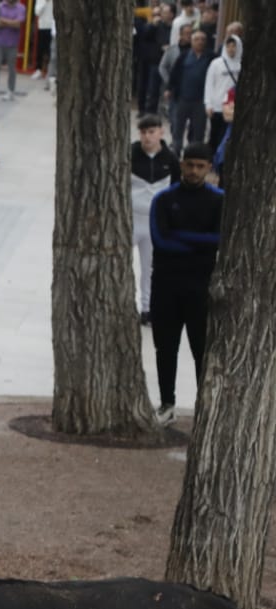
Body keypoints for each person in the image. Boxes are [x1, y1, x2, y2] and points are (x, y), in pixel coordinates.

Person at [148, 141, 221, 424]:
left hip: (200, 288)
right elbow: (161, 241)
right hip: (166, 285)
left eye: (199, 166)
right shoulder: (164, 200)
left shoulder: (218, 200)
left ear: (208, 168)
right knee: (165, 348)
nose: (193, 171)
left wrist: (182, 235)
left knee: (200, 349)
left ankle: (203, 410)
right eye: (189, 165)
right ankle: (167, 404)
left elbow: (219, 240)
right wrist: (198, 243)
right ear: (181, 165)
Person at [130, 113, 178, 328]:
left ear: (161, 132)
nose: (147, 137)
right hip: (130, 218)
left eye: (151, 132)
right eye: (143, 132)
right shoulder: (130, 154)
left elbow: (176, 190)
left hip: (154, 222)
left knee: (150, 267)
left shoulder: (171, 159)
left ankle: (147, 309)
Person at [163, 29, 211, 150]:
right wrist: (169, 89)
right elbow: (174, 73)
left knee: (198, 130)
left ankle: (193, 152)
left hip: (201, 100)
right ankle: (176, 151)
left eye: (202, 40)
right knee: (178, 128)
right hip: (182, 99)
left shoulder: (211, 57)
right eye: (196, 39)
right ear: (191, 41)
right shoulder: (184, 56)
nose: (200, 42)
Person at [203, 33, 239, 150]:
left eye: (234, 46)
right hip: (217, 106)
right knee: (215, 135)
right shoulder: (216, 63)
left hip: (232, 107)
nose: (231, 49)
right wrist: (208, 104)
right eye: (228, 46)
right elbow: (209, 84)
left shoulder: (241, 64)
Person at [0, 0, 25, 100]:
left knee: (12, 68)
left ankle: (11, 91)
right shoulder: (0, 6)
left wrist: (4, 21)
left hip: (13, 43)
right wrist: (11, 22)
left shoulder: (21, 7)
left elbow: (18, 24)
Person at [31, 0, 53, 80]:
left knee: (51, 50)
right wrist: (45, 2)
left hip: (53, 27)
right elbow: (37, 12)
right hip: (43, 27)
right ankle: (38, 69)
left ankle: (49, 71)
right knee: (41, 49)